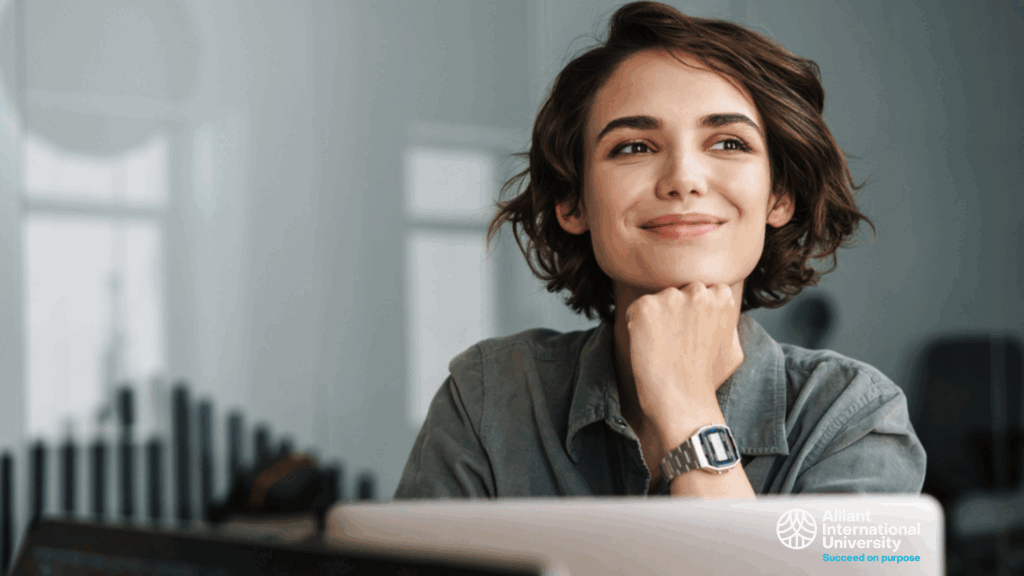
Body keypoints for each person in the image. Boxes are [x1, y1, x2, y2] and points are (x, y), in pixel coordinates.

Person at [394, 1, 925, 499]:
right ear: (573, 202)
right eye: (634, 147)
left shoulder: (854, 418)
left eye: (729, 143)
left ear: (779, 196)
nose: (683, 179)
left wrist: (685, 405)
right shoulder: (486, 399)